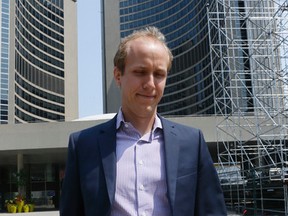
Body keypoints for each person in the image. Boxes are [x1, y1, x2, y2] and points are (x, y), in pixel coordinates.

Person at [60, 26, 227, 216]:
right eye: (140, 72)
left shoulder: (192, 142)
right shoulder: (83, 145)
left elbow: (212, 211)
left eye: (159, 74)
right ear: (118, 76)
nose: (150, 84)